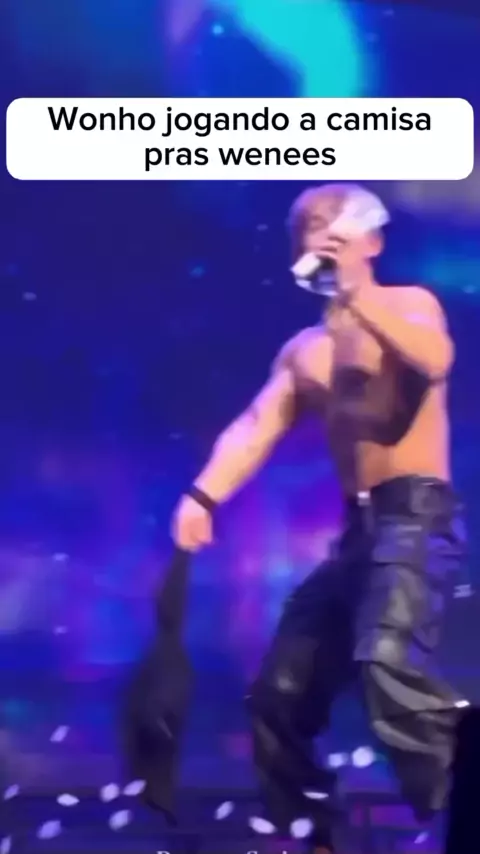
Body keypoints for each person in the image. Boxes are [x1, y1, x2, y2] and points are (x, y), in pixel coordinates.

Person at [171, 183, 467, 853]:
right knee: (278, 696)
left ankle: (463, 807)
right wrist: (204, 495)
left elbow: (435, 359)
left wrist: (357, 296)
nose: (323, 236)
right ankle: (317, 839)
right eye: (311, 227)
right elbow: (256, 425)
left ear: (372, 241)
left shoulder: (408, 305)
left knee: (386, 663)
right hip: (356, 534)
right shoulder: (305, 350)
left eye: (337, 226)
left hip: (416, 517)